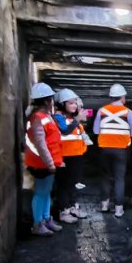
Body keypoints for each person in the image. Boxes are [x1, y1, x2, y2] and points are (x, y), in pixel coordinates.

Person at [93, 83, 132, 218]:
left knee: (105, 177)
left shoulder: (101, 111)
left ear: (111, 97)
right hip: (121, 150)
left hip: (104, 149)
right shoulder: (128, 112)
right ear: (123, 97)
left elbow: (96, 130)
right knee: (119, 178)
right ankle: (119, 209)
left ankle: (104, 205)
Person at [24, 82, 64, 236]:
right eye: (51, 99)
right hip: (41, 164)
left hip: (47, 163)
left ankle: (46, 219)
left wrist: (56, 161)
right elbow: (40, 144)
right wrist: (50, 163)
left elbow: (51, 142)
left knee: (46, 192)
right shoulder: (38, 118)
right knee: (41, 193)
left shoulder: (44, 116)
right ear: (48, 101)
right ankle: (37, 223)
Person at [53, 88, 88, 224]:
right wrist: (78, 119)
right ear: (62, 104)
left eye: (75, 103)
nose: (74, 105)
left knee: (73, 183)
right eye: (71, 103)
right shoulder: (58, 116)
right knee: (63, 184)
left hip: (76, 155)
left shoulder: (72, 118)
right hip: (64, 156)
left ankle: (72, 206)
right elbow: (65, 131)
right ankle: (64, 211)